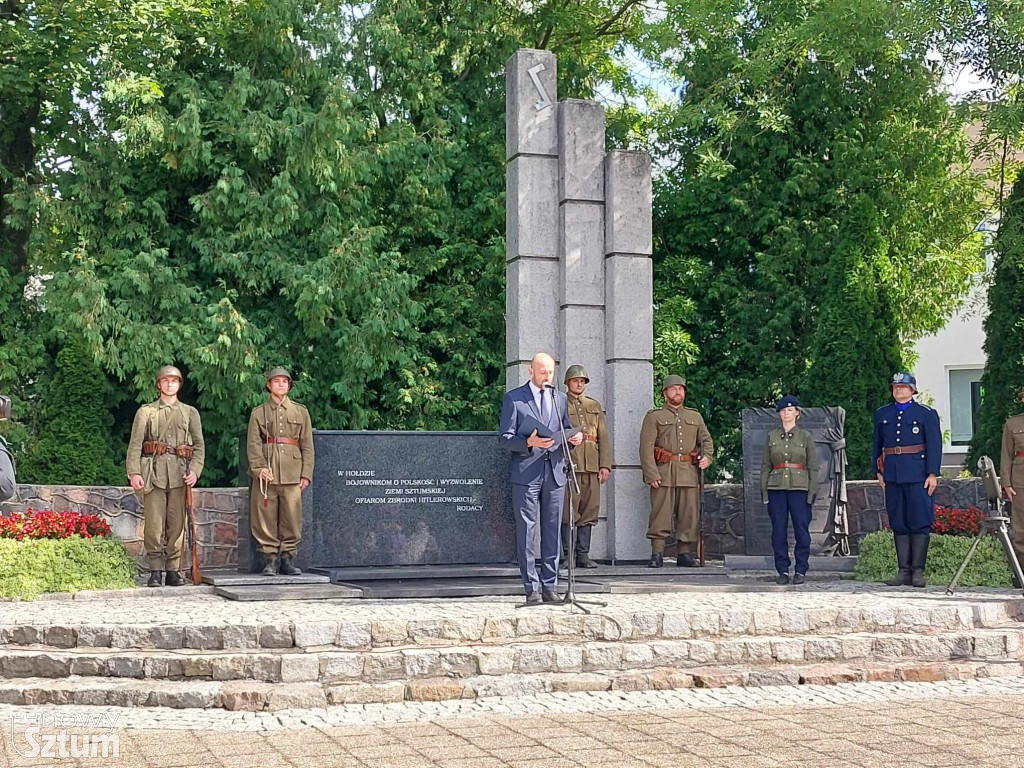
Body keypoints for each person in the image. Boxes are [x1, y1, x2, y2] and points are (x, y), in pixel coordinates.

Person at [499, 352, 584, 603]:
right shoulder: (515, 399)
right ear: (531, 372)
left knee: (552, 530)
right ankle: (532, 589)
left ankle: (550, 586)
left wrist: (573, 438)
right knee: (527, 530)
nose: (547, 376)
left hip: (555, 472)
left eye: (550, 372)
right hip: (526, 474)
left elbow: (564, 428)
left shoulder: (560, 398)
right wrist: (528, 442)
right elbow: (504, 439)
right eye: (542, 372)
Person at [126, 366, 206, 587]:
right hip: (153, 473)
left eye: (174, 381)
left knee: (177, 524)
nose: (170, 385)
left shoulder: (190, 413)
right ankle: (155, 569)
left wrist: (196, 471)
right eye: (166, 381)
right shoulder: (146, 412)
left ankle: (172, 570)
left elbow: (199, 446)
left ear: (179, 384)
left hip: (181, 474)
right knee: (154, 525)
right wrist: (134, 472)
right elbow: (135, 445)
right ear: (159, 385)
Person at [873, 372, 941, 587]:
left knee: (919, 521)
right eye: (895, 387)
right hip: (893, 473)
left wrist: (932, 473)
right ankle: (903, 571)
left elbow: (934, 444)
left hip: (918, 474)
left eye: (903, 387)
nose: (898, 390)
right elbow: (877, 444)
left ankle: (917, 571)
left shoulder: (925, 413)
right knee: (899, 521)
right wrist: (878, 470)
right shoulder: (883, 413)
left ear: (912, 390)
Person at [246, 367, 315, 576]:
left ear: (289, 385)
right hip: (267, 472)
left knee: (292, 517)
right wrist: (259, 469)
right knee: (264, 517)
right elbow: (253, 444)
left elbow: (307, 445)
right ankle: (271, 558)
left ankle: (287, 558)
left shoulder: (300, 411)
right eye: (276, 381)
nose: (281, 385)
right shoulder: (259, 412)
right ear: (269, 385)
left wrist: (306, 474)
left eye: (284, 382)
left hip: (292, 472)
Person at [640, 375, 713, 568]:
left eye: (681, 389)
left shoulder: (694, 416)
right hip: (663, 472)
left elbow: (706, 441)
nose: (678, 392)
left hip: (688, 472)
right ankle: (657, 553)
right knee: (660, 514)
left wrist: (707, 458)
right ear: (665, 394)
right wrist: (651, 473)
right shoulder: (654, 416)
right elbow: (646, 447)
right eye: (673, 389)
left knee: (689, 514)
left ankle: (685, 553)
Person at [760, 395, 818, 585]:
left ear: (797, 413)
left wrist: (811, 493)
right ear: (779, 414)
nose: (787, 413)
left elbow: (813, 467)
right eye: (783, 410)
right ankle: (782, 570)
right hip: (776, 488)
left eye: (790, 410)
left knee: (802, 530)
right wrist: (765, 492)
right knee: (778, 531)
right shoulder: (772, 436)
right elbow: (766, 466)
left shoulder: (805, 437)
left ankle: (800, 569)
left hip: (800, 488)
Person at [561, 365, 612, 569]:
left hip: (591, 465)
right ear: (568, 383)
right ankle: (568, 556)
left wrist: (605, 465)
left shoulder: (594, 405)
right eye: (575, 380)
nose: (579, 383)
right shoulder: (559, 403)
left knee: (590, 511)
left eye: (582, 381)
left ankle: (583, 555)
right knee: (568, 512)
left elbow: (603, 438)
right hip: (570, 463)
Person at [999, 387, 1024, 564]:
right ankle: (1020, 570)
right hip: (1020, 480)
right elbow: (1006, 455)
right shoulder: (1013, 424)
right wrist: (1006, 483)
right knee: (1020, 527)